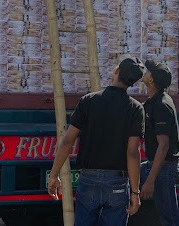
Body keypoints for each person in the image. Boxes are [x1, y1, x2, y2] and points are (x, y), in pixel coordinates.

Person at [48, 56, 146, 225]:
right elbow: (132, 152)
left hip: (88, 180)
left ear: (116, 71)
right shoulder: (136, 108)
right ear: (132, 83)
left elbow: (67, 141)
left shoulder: (89, 100)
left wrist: (54, 175)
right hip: (117, 182)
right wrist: (135, 192)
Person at [139, 59, 179, 226]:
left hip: (164, 168)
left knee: (169, 219)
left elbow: (163, 145)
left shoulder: (161, 105)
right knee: (124, 176)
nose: (145, 72)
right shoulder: (154, 100)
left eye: (148, 71)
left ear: (151, 80)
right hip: (156, 165)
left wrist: (150, 181)